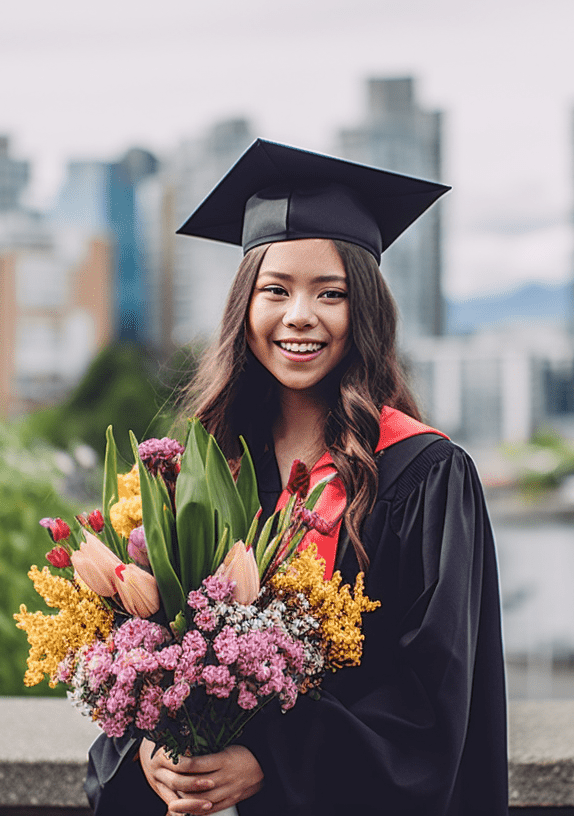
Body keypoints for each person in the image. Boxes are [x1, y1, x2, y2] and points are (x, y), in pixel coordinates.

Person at [85, 139, 507, 816]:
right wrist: (148, 753)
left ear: (363, 311)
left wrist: (268, 763)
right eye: (275, 290)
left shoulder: (423, 476)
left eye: (330, 293)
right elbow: (136, 661)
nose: (299, 315)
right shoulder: (194, 476)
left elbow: (432, 702)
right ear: (243, 311)